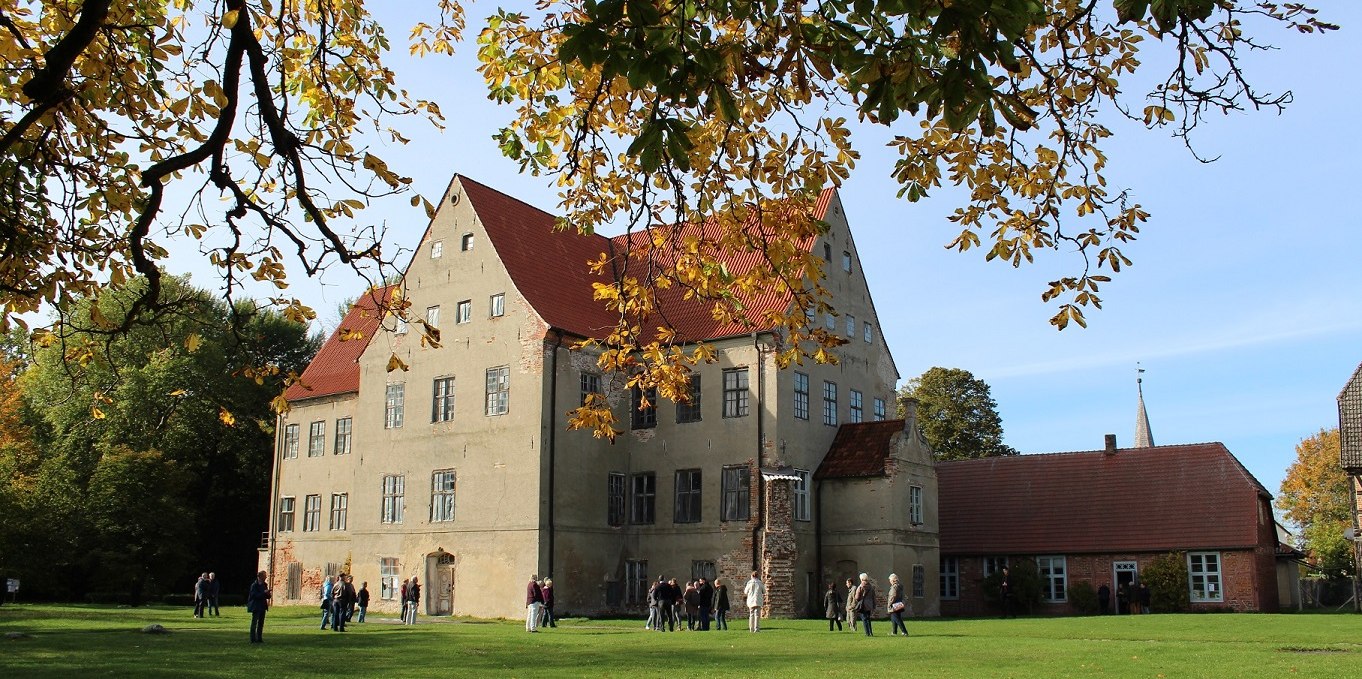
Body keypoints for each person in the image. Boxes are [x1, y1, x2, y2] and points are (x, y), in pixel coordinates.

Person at [247, 571, 271, 643]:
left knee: (261, 623)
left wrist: (268, 593)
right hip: (256, 606)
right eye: (264, 576)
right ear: (260, 577)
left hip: (262, 606)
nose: (266, 577)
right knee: (254, 623)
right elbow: (254, 596)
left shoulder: (264, 585)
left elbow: (267, 596)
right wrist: (263, 592)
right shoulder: (254, 585)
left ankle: (259, 638)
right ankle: (253, 639)